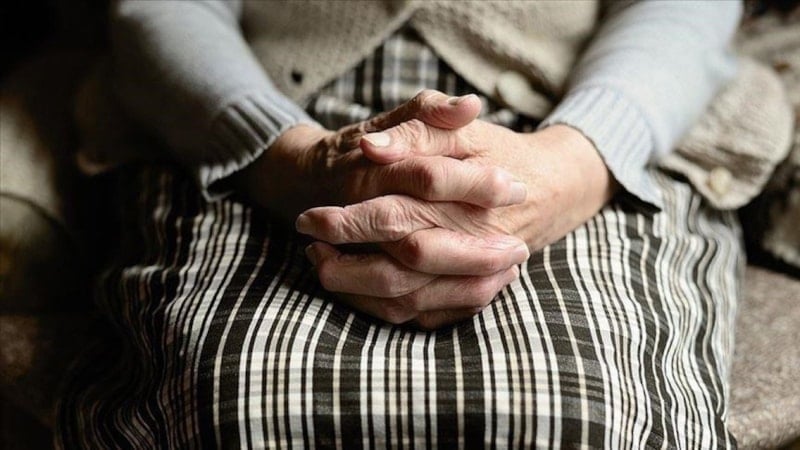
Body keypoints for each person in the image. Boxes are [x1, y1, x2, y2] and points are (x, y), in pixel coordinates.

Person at [57, 1, 761, 448]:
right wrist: (288, 158)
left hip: (577, 122)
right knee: (231, 411)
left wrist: (571, 164)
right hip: (260, 123)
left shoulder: (579, 145)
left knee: (585, 418)